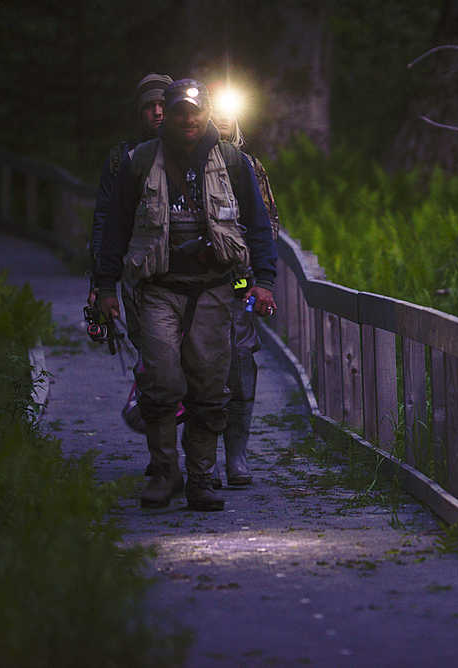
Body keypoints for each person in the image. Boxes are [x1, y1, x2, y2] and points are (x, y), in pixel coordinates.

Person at [95, 78, 278, 511]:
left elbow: (258, 225)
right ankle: (163, 472)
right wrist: (104, 287)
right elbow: (115, 227)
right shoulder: (139, 162)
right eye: (179, 111)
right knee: (160, 381)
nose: (187, 119)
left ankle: (201, 478)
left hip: (215, 291)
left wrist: (264, 281)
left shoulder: (234, 163)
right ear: (169, 114)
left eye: (194, 111)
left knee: (211, 387)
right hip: (158, 290)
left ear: (206, 113)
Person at [202, 106, 281, 488]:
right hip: (197, 282)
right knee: (199, 367)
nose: (220, 120)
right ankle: (204, 458)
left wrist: (260, 279)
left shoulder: (249, 167)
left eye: (227, 113)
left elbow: (268, 224)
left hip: (240, 284)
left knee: (241, 361)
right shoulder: (184, 161)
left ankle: (237, 454)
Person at [88, 73, 173, 305]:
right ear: (139, 112)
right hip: (139, 273)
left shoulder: (194, 155)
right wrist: (102, 281)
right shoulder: (121, 159)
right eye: (150, 106)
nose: (158, 112)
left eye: (163, 105)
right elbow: (105, 220)